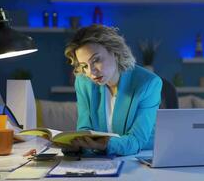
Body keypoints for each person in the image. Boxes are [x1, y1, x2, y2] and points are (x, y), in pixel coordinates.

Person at [64, 24, 162, 156]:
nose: (91, 72)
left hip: (139, 157)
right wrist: (78, 145)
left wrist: (105, 144)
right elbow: (85, 129)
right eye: (84, 66)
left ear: (115, 52)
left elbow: (136, 140)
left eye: (96, 60)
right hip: (100, 159)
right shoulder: (83, 82)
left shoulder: (149, 83)